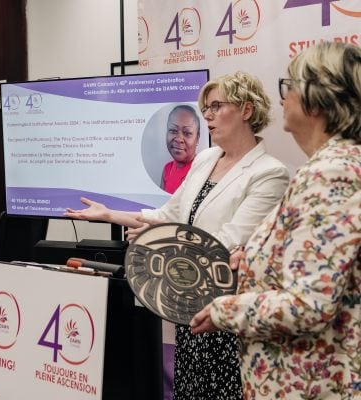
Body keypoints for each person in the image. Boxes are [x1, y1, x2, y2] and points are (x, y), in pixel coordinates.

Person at [65, 71, 290, 400]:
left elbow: (226, 244)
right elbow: (168, 215)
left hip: (227, 311)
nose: (208, 115)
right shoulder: (206, 159)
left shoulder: (269, 173)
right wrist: (109, 214)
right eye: (206, 108)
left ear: (246, 110)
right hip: (190, 305)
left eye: (216, 106)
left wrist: (161, 246)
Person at [191, 42, 361, 399]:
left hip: (314, 382)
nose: (282, 99)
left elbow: (309, 303)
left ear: (319, 98)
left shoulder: (332, 173)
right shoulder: (331, 166)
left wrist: (226, 309)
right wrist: (251, 261)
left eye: (290, 87)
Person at [161, 104, 200, 193]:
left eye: (187, 133)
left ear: (197, 138)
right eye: (173, 131)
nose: (178, 139)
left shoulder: (200, 170)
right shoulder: (167, 169)